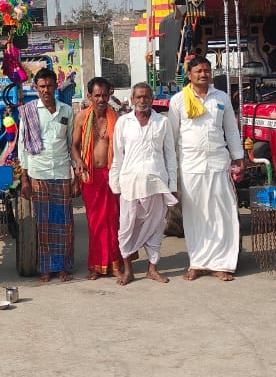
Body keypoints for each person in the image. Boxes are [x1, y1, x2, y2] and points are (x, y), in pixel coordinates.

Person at [168, 55, 244, 281]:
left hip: (218, 163)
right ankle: (198, 263)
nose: (203, 74)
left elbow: (231, 130)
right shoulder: (178, 100)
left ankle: (222, 264)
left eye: (206, 70)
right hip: (191, 165)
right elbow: (171, 137)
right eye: (198, 71)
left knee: (222, 213)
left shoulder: (221, 97)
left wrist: (238, 157)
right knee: (195, 215)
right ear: (189, 75)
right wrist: (169, 169)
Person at [108, 81, 177, 286]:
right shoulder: (123, 122)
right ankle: (128, 270)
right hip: (130, 183)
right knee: (127, 227)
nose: (142, 100)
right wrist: (115, 184)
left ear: (152, 99)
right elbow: (117, 156)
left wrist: (172, 185)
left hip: (157, 183)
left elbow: (170, 155)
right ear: (132, 99)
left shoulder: (162, 122)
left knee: (156, 226)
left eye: (146, 96)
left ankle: (152, 269)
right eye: (138, 97)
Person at [19, 66, 76, 282]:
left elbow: (72, 145)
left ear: (56, 86)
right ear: (36, 88)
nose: (46, 90)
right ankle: (46, 268)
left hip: (62, 172)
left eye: (49, 86)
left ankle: (62, 267)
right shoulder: (29, 111)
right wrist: (24, 179)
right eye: (42, 86)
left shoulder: (66, 111)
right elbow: (23, 147)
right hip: (38, 172)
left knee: (64, 223)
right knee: (43, 224)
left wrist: (76, 177)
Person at [71, 77, 122, 280]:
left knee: (114, 221)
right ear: (89, 96)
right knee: (95, 223)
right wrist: (78, 162)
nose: (101, 99)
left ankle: (115, 264)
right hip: (91, 176)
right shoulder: (82, 117)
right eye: (97, 95)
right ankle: (96, 265)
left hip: (112, 174)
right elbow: (74, 146)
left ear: (110, 95)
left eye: (105, 95)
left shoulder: (116, 118)